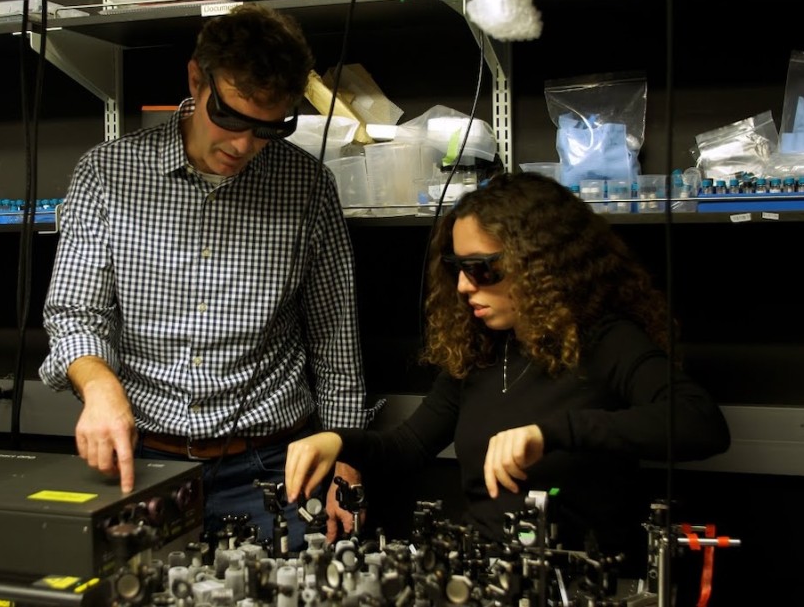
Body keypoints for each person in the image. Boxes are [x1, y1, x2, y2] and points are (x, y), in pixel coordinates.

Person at [39, 3, 375, 548]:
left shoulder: (308, 186)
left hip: (275, 465)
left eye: (269, 129)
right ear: (197, 80)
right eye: (232, 118)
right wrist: (99, 387)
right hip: (142, 465)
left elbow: (336, 343)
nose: (243, 146)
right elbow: (76, 312)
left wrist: (346, 457)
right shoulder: (106, 173)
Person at [284, 172, 731, 560]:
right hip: (483, 573)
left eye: (483, 270)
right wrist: (337, 441)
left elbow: (700, 423)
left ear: (541, 264)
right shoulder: (481, 352)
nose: (462, 285)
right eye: (457, 267)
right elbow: (407, 447)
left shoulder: (606, 342)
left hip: (578, 579)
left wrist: (551, 434)